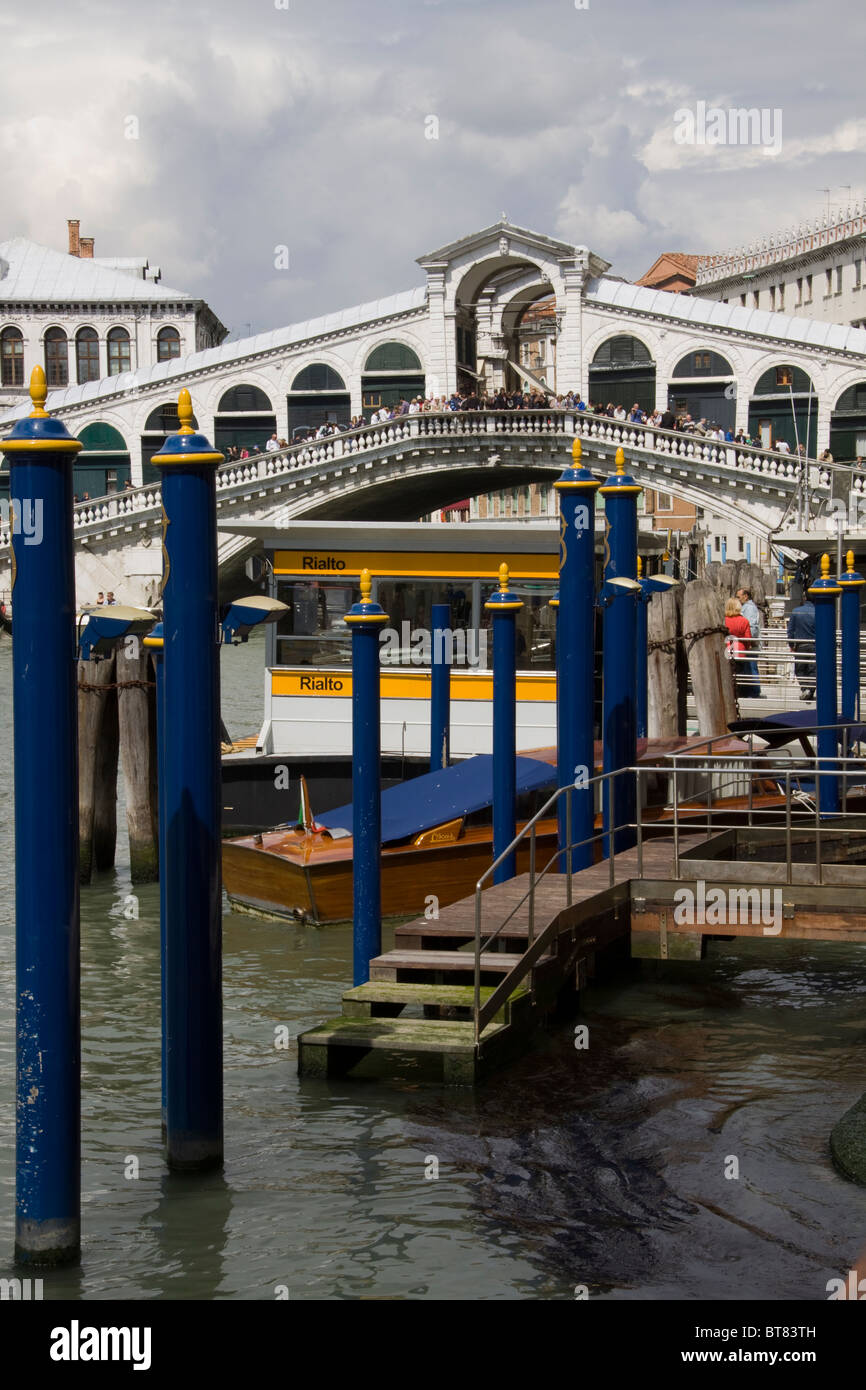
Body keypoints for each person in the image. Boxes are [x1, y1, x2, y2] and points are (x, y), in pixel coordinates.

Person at [724, 597, 758, 697]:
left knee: (727, 673)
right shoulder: (744, 621)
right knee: (740, 673)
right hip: (740, 650)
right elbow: (748, 639)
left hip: (727, 649)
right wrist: (745, 647)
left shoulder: (724, 620)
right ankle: (739, 693)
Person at [787, 597, 816, 699]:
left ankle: (805, 689)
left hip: (800, 645)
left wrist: (791, 644)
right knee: (813, 670)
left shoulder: (796, 612)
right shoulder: (819, 612)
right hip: (815, 645)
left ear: (804, 599)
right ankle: (809, 690)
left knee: (799, 669)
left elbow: (790, 630)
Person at [736, 586, 763, 696]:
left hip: (750, 645)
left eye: (739, 597)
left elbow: (752, 627)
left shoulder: (749, 608)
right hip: (748, 644)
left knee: (751, 668)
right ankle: (751, 691)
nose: (738, 599)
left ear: (745, 596)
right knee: (749, 668)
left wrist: (748, 641)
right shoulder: (747, 607)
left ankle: (755, 691)